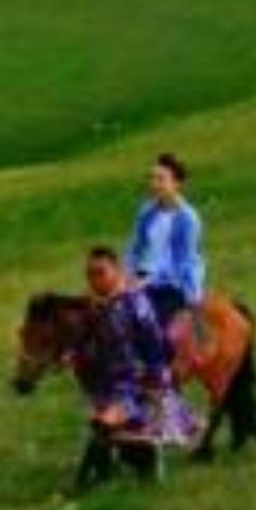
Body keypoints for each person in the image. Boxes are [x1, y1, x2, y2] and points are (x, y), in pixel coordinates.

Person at [83, 245, 202, 446]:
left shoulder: (134, 303)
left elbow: (154, 341)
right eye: (89, 275)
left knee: (108, 421)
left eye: (100, 273)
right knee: (99, 419)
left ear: (117, 270)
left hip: (138, 384)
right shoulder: (94, 307)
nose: (95, 280)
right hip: (108, 384)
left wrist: (155, 377)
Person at [124, 151, 205, 330]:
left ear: (176, 184)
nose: (153, 184)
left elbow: (184, 262)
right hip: (142, 279)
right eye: (151, 178)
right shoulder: (146, 212)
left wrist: (148, 279)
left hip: (172, 284)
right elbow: (134, 246)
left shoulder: (187, 218)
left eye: (161, 179)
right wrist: (127, 273)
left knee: (151, 326)